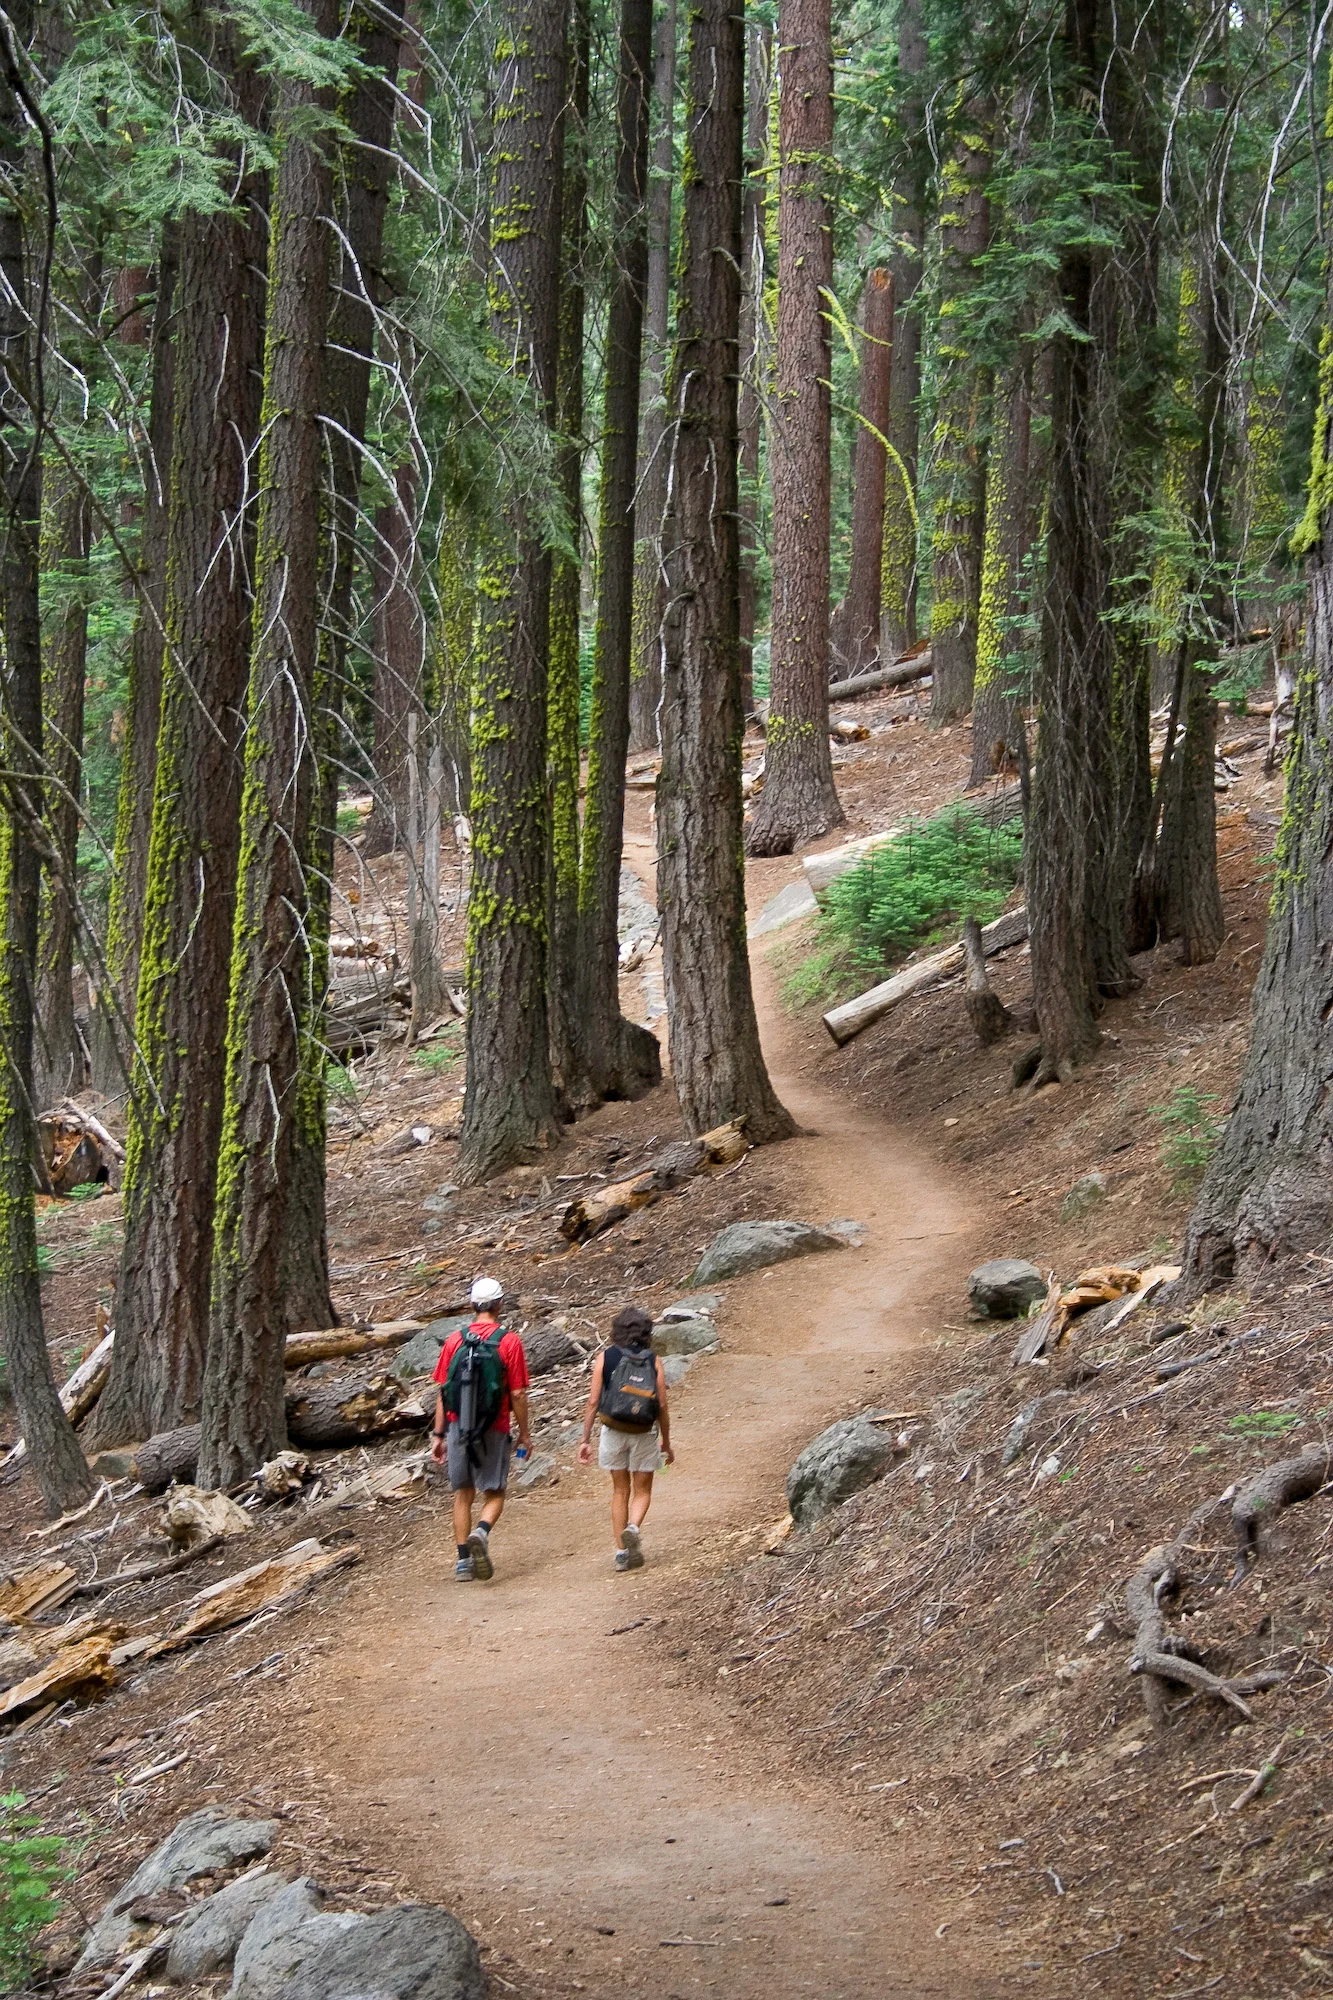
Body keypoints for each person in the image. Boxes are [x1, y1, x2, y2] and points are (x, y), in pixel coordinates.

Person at [430, 1276, 531, 1580]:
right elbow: (517, 1393)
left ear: (472, 1305)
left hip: (457, 1425)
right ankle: (482, 1532)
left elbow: (443, 1392)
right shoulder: (509, 1341)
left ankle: (462, 1562)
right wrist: (525, 1433)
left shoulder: (454, 1341)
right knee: (495, 1491)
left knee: (463, 1493)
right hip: (494, 1426)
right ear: (500, 1304)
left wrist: (438, 1435)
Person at [578, 1304, 674, 1570]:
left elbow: (593, 1401)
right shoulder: (653, 1360)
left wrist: (585, 1439)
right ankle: (633, 1527)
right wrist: (666, 1441)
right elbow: (663, 1405)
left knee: (620, 1490)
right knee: (642, 1490)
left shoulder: (605, 1357)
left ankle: (621, 1554)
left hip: (613, 1429)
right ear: (646, 1332)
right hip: (644, 1431)